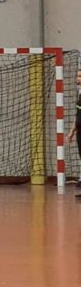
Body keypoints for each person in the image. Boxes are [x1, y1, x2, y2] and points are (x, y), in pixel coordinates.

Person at [67, 68, 81, 197]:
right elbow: (78, 116)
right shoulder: (79, 94)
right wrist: (72, 131)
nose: (77, 79)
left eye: (80, 76)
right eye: (77, 76)